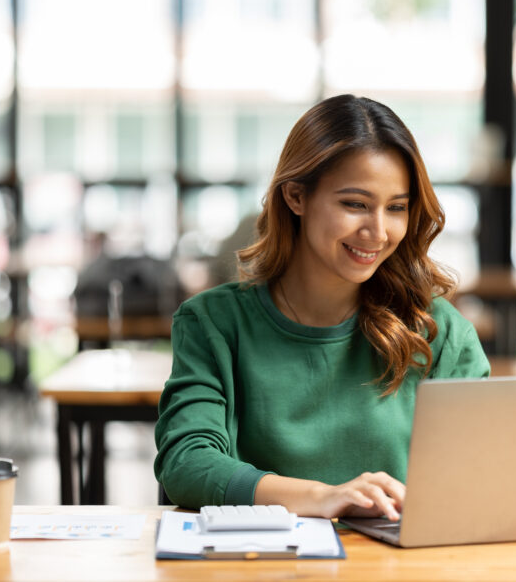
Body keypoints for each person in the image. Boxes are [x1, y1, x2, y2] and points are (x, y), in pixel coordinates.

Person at [154, 94, 489, 521]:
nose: (378, 231)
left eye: (397, 208)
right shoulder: (213, 324)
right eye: (355, 204)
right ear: (296, 197)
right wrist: (321, 497)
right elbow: (186, 463)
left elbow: (479, 477)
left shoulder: (440, 333)